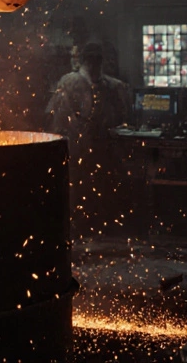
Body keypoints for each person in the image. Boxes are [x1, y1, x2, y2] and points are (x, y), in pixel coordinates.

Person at [43, 42, 131, 236]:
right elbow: (60, 118)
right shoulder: (70, 83)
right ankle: (80, 226)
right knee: (79, 188)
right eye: (91, 60)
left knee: (95, 187)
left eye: (96, 60)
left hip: (99, 146)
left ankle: (93, 225)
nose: (93, 64)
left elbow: (121, 117)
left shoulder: (112, 86)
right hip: (78, 146)